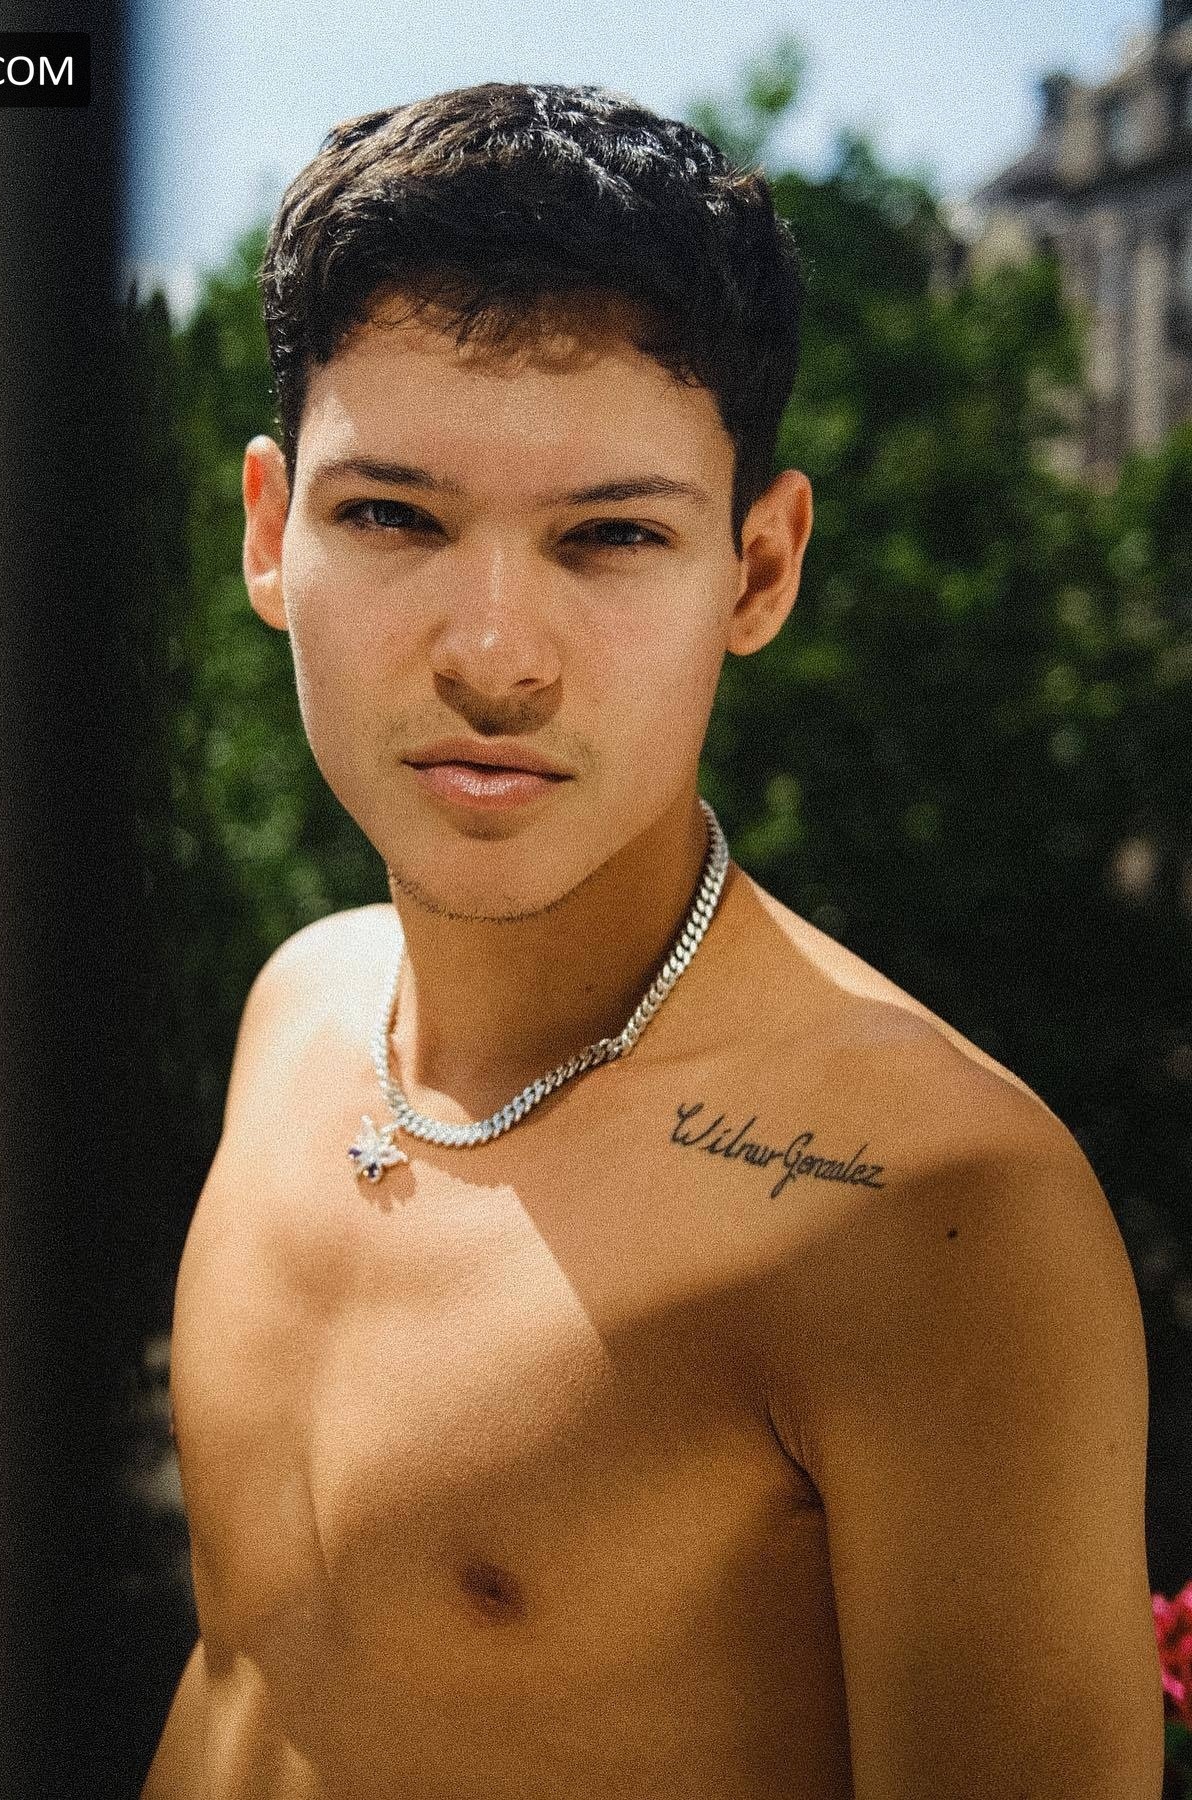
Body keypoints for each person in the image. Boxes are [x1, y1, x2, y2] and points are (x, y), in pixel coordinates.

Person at [142, 82, 1162, 1800]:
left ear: (757, 571)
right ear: (268, 532)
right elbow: (249, 1679)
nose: (493, 654)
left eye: (610, 536)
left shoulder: (932, 1210)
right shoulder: (301, 1006)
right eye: (393, 515)